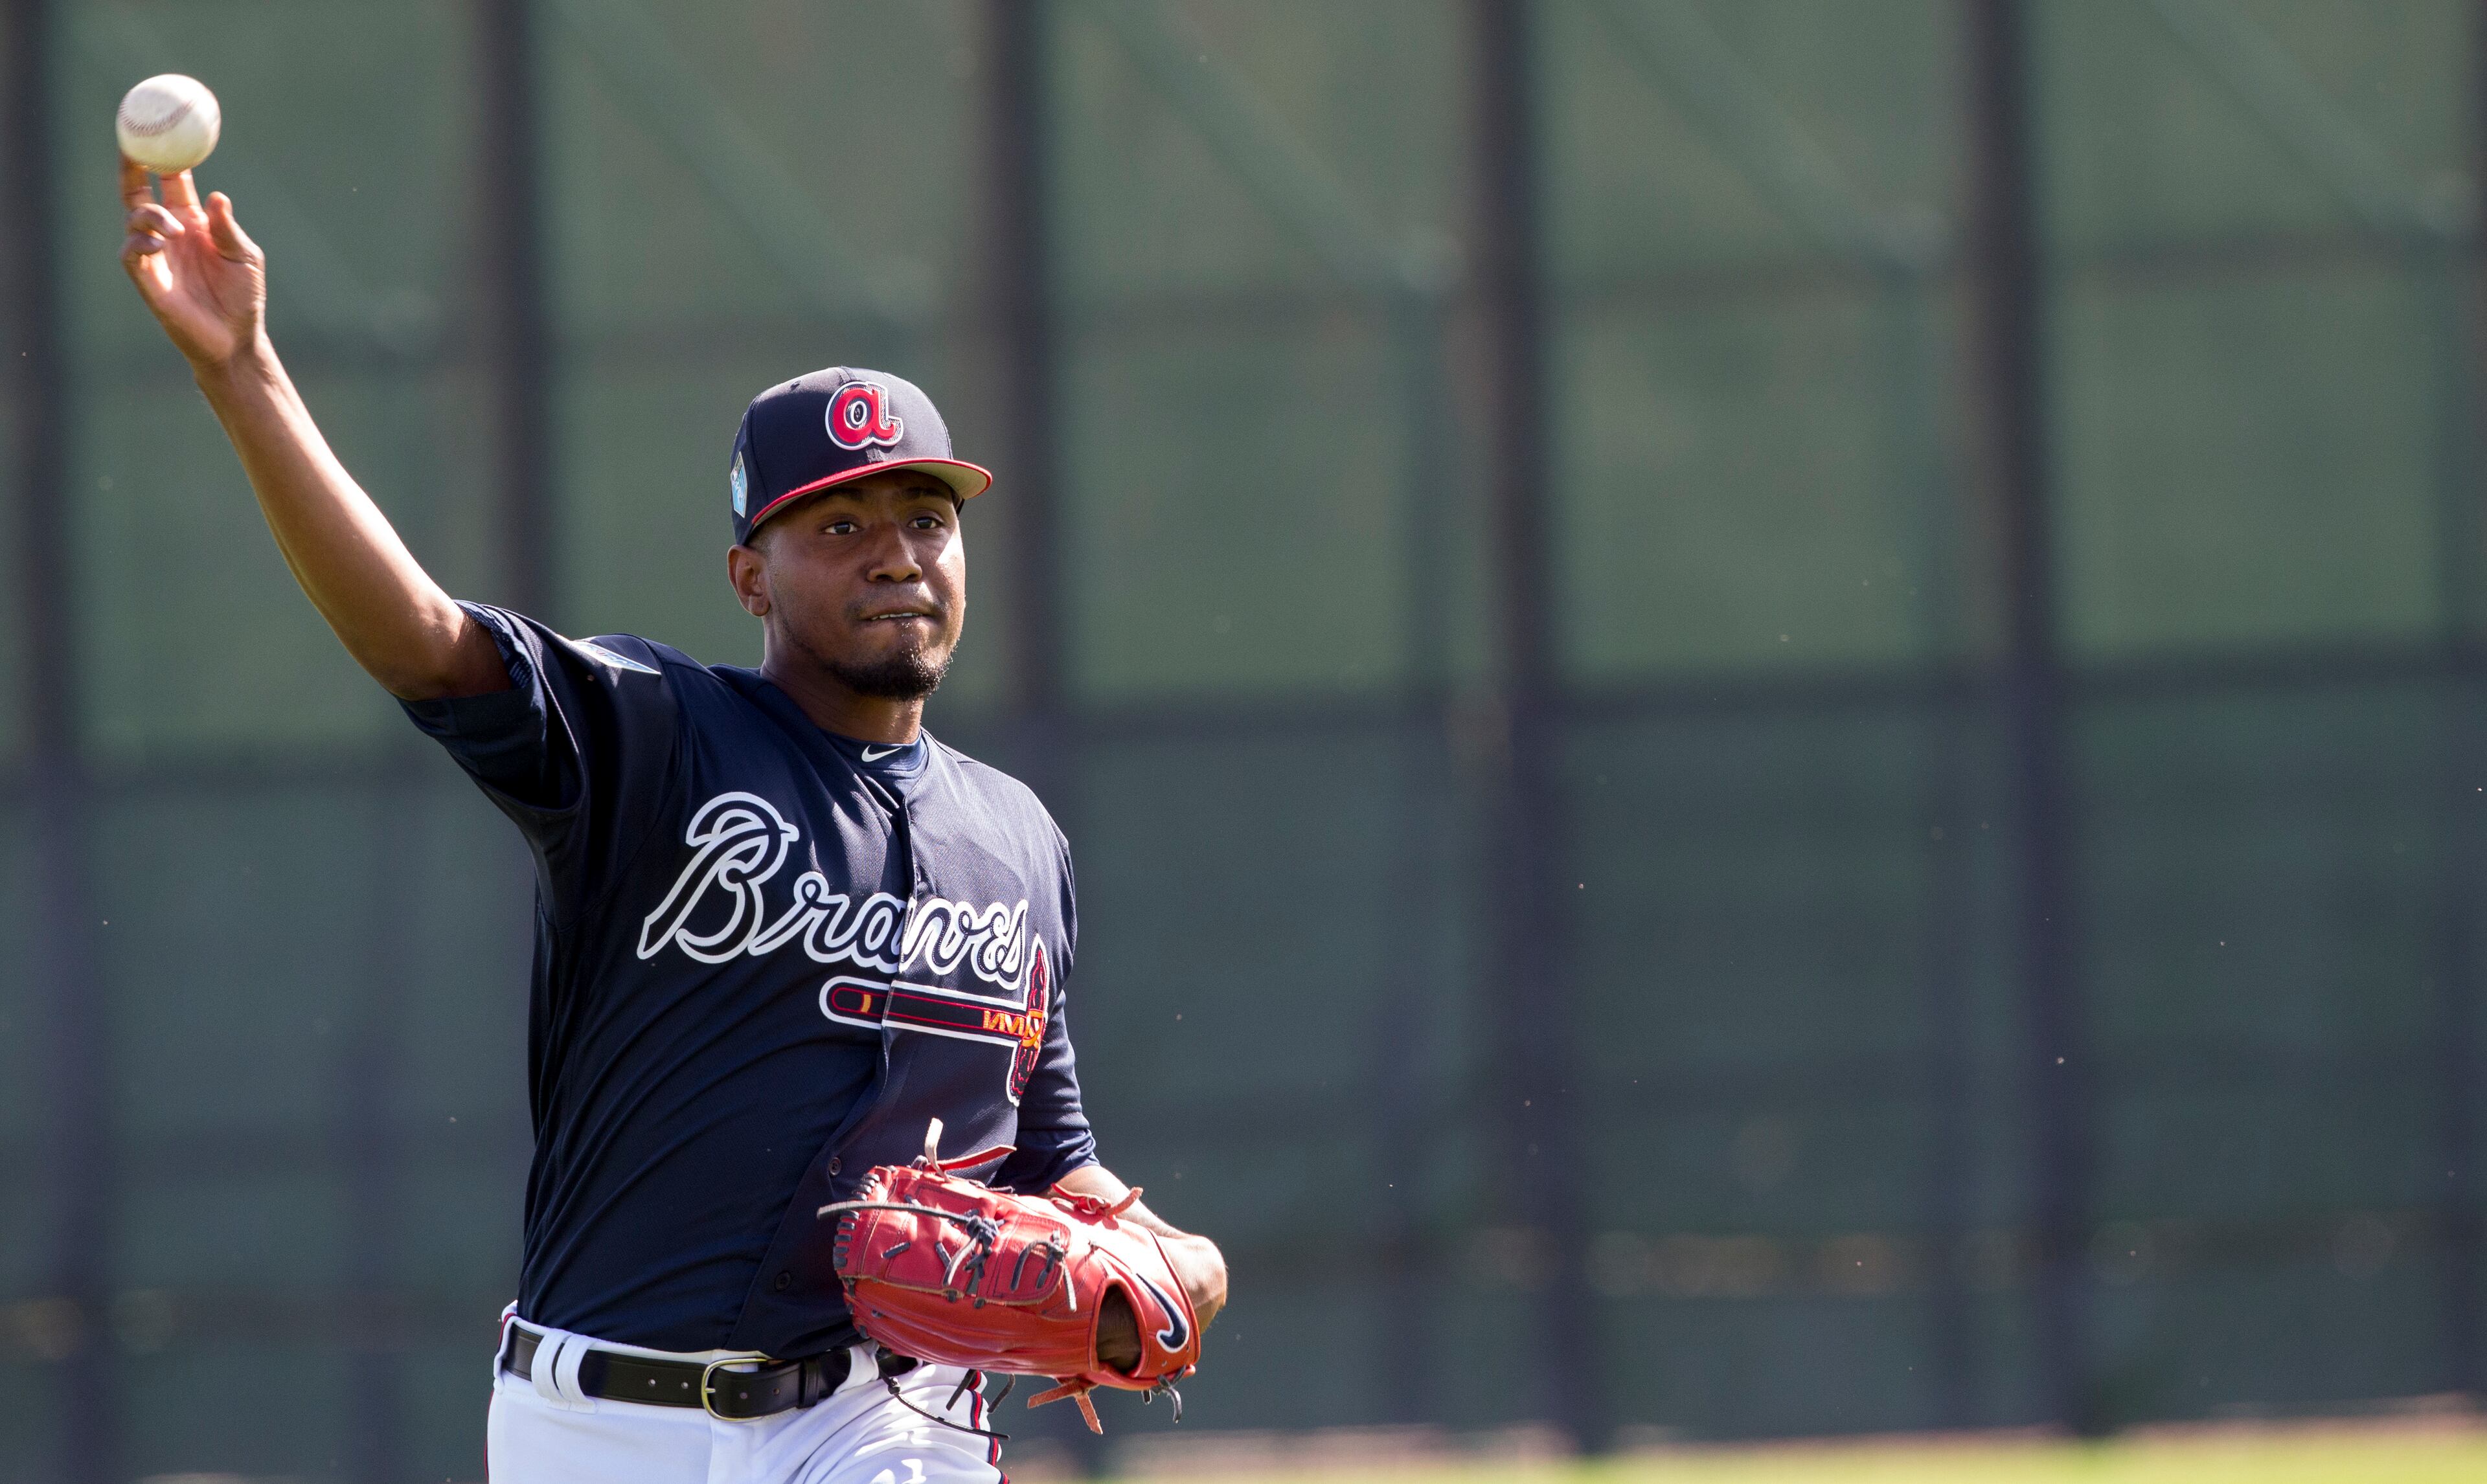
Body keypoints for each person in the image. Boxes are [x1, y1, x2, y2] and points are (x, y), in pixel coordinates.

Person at [118, 156, 1226, 1483]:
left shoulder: (1022, 841)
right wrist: (244, 378)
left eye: (928, 521)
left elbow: (1057, 1160)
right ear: (750, 577)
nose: (898, 554)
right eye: (842, 524)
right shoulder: (651, 734)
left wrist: (1191, 1262)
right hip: (598, 1423)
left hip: (883, 1421)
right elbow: (420, 637)